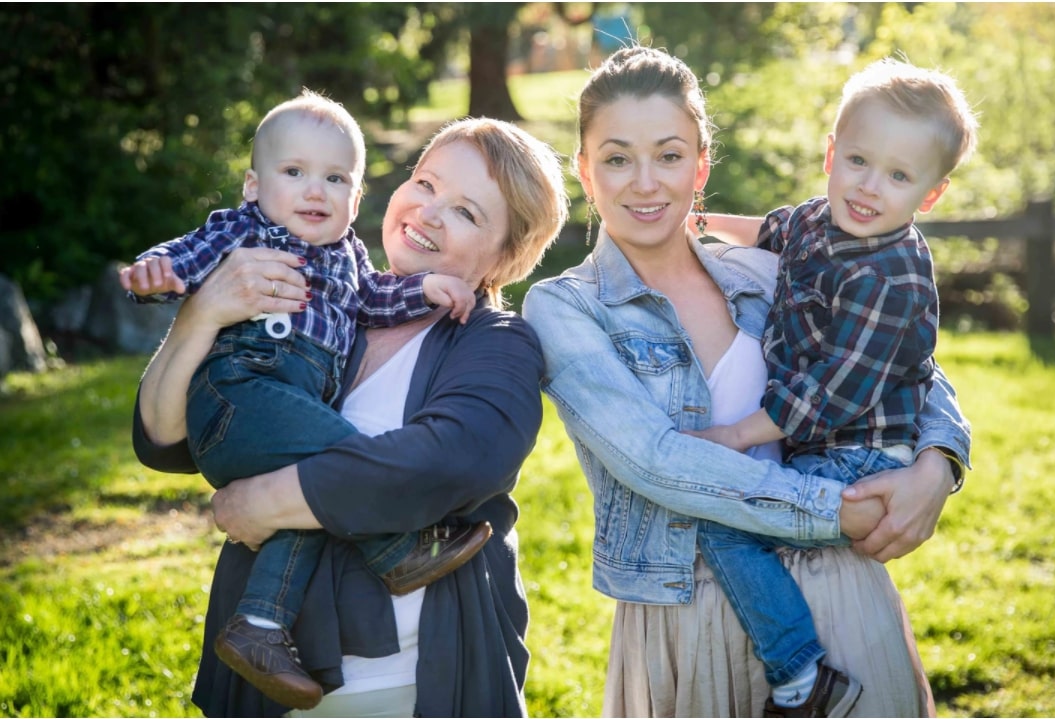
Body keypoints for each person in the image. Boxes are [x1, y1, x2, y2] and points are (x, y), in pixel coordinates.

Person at [522, 45, 971, 717]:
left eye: (670, 155)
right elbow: (656, 461)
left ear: (700, 165)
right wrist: (828, 511)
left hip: (838, 598)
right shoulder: (565, 307)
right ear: (585, 170)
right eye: (617, 158)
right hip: (687, 613)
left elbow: (903, 359)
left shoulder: (763, 271)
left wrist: (939, 462)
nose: (645, 182)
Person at [130, 116, 569, 717]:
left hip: (410, 684)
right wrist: (203, 314)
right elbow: (166, 440)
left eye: (467, 212)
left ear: (508, 254)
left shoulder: (496, 342)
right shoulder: (330, 299)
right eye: (426, 183)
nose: (429, 213)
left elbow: (445, 462)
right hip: (269, 691)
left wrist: (263, 502)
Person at [679, 57, 980, 716]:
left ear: (930, 195)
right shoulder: (819, 221)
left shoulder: (892, 276)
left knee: (724, 527)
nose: (870, 187)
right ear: (831, 153)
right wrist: (694, 225)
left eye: (899, 176)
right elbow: (770, 229)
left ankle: (800, 675)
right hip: (820, 445)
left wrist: (736, 434)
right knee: (731, 521)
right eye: (859, 161)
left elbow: (829, 394)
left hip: (857, 455)